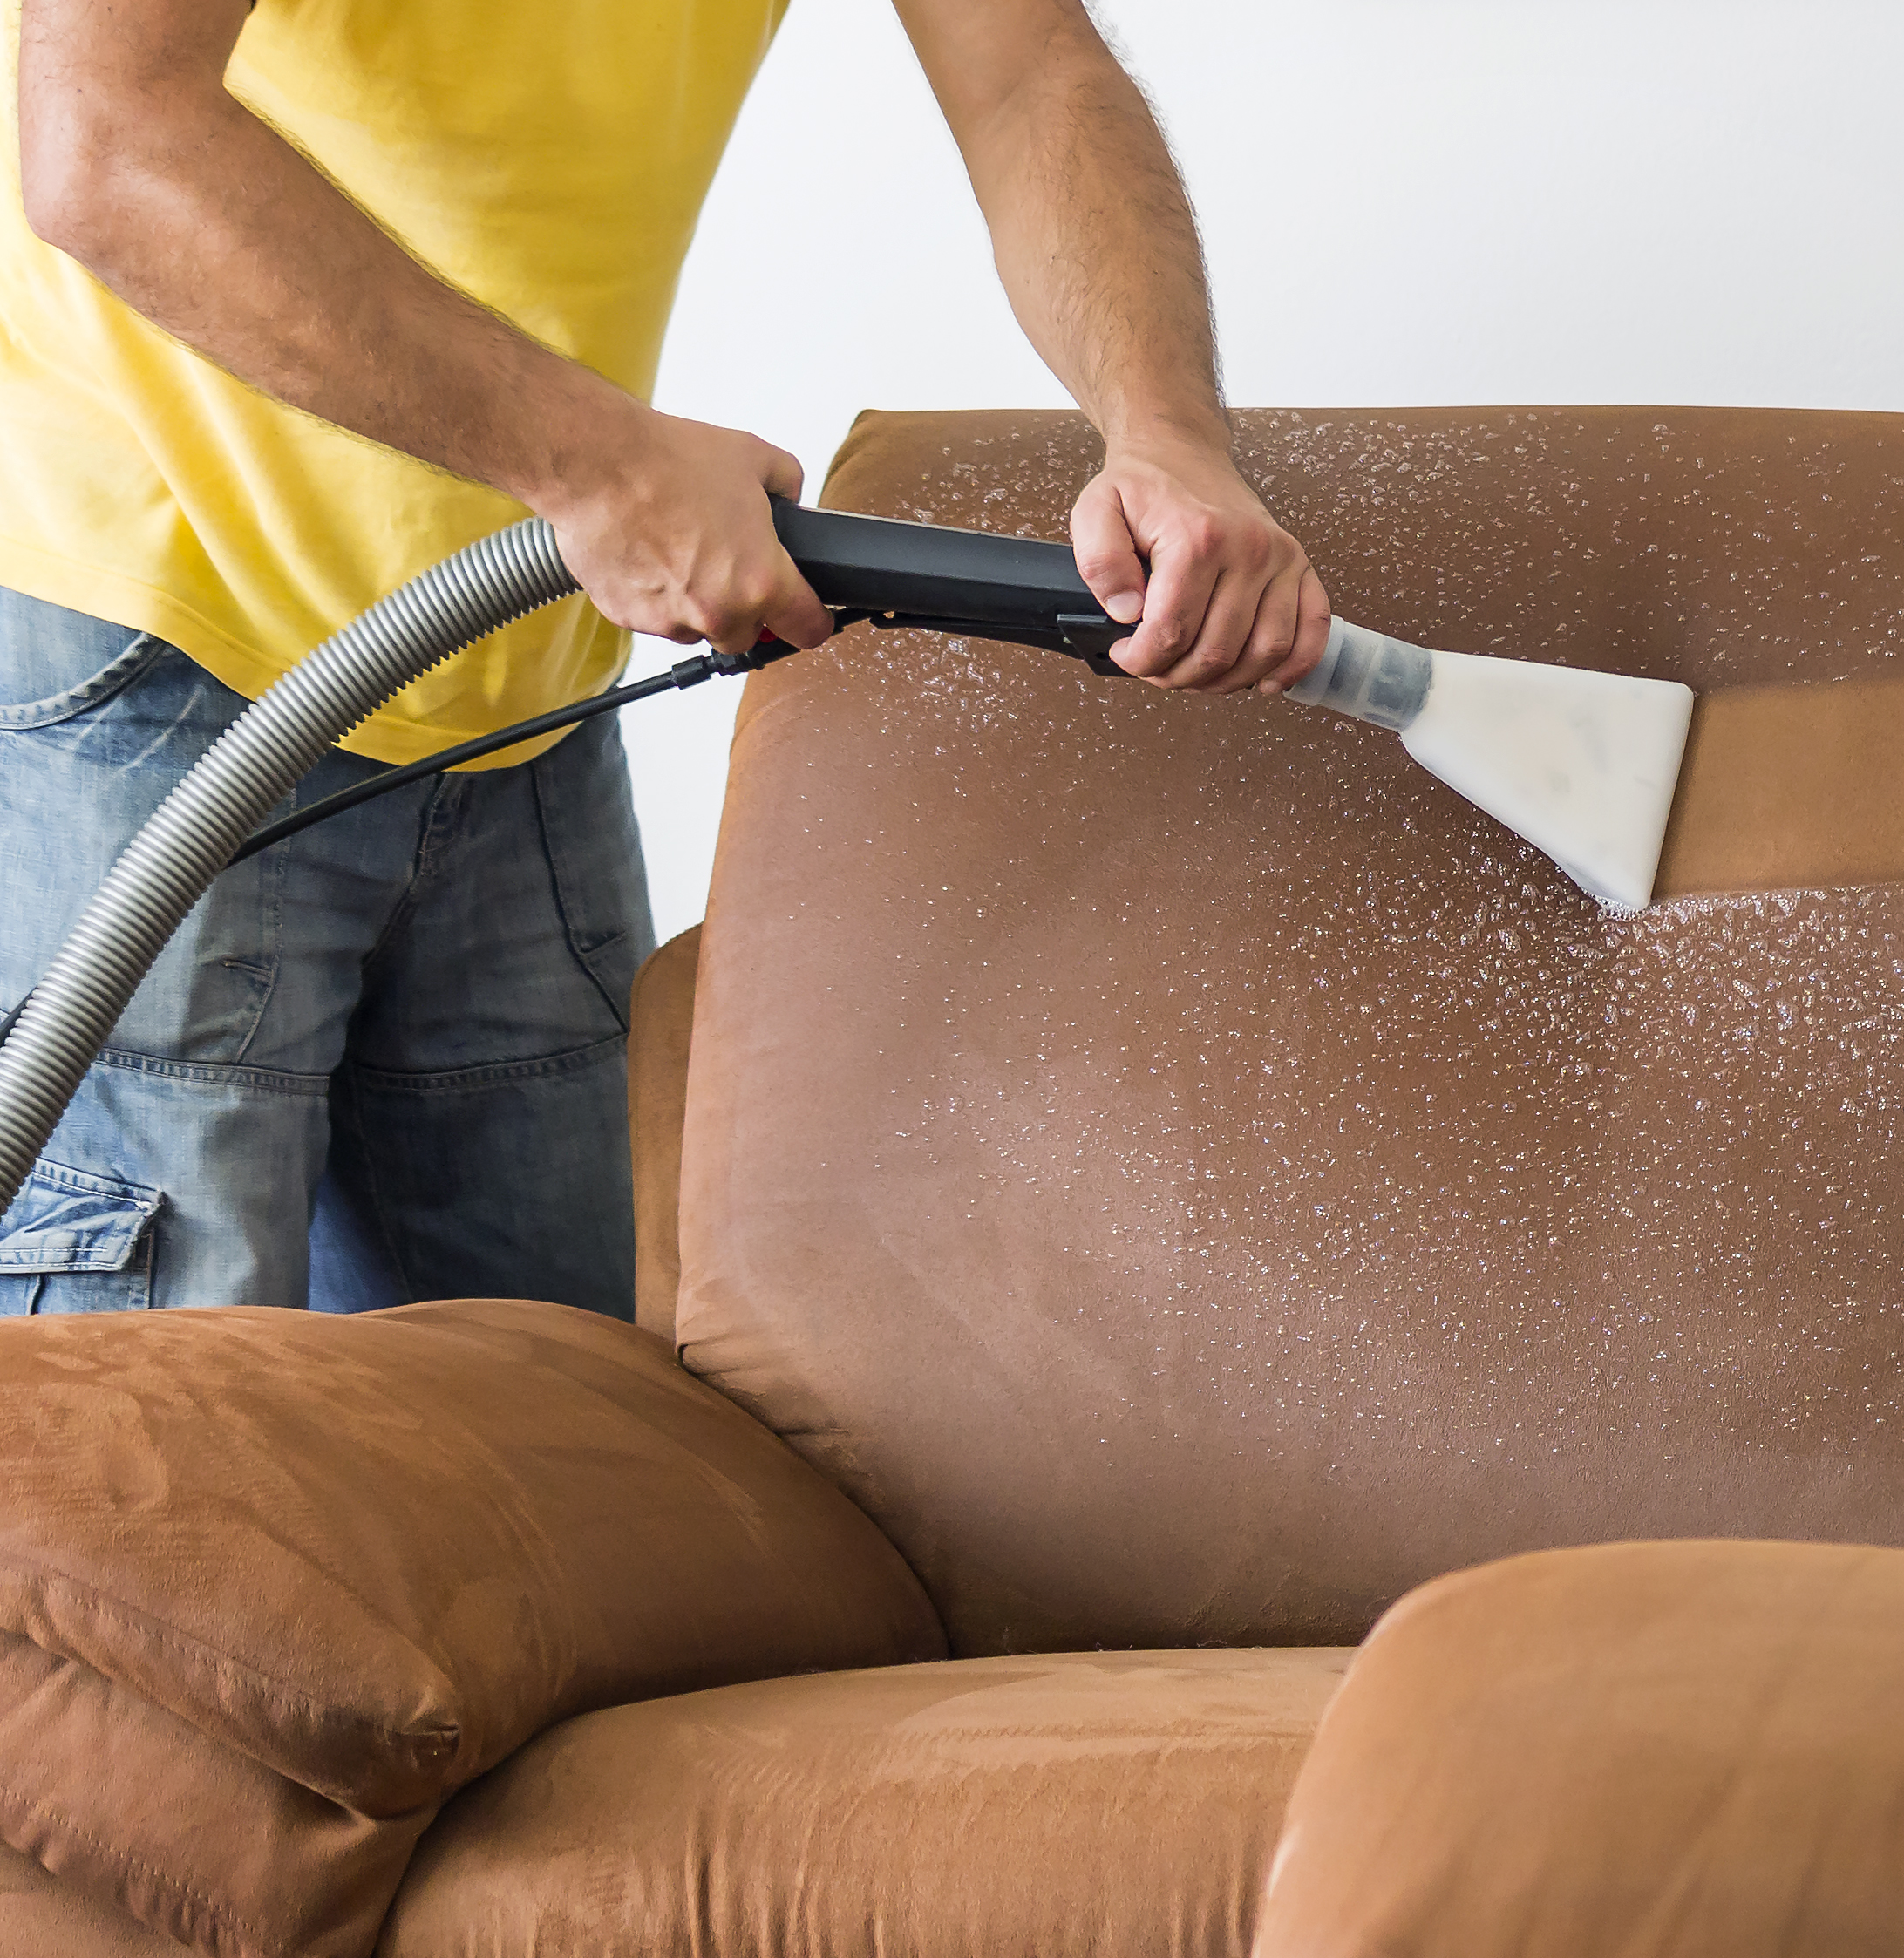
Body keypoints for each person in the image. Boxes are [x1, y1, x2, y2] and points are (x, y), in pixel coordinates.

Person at [0, 0, 1325, 1318]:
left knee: (569, 1421)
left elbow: (1028, 72)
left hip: (516, 682)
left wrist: (1167, 434)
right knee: (164, 1450)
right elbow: (109, 140)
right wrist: (598, 465)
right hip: (158, 646)